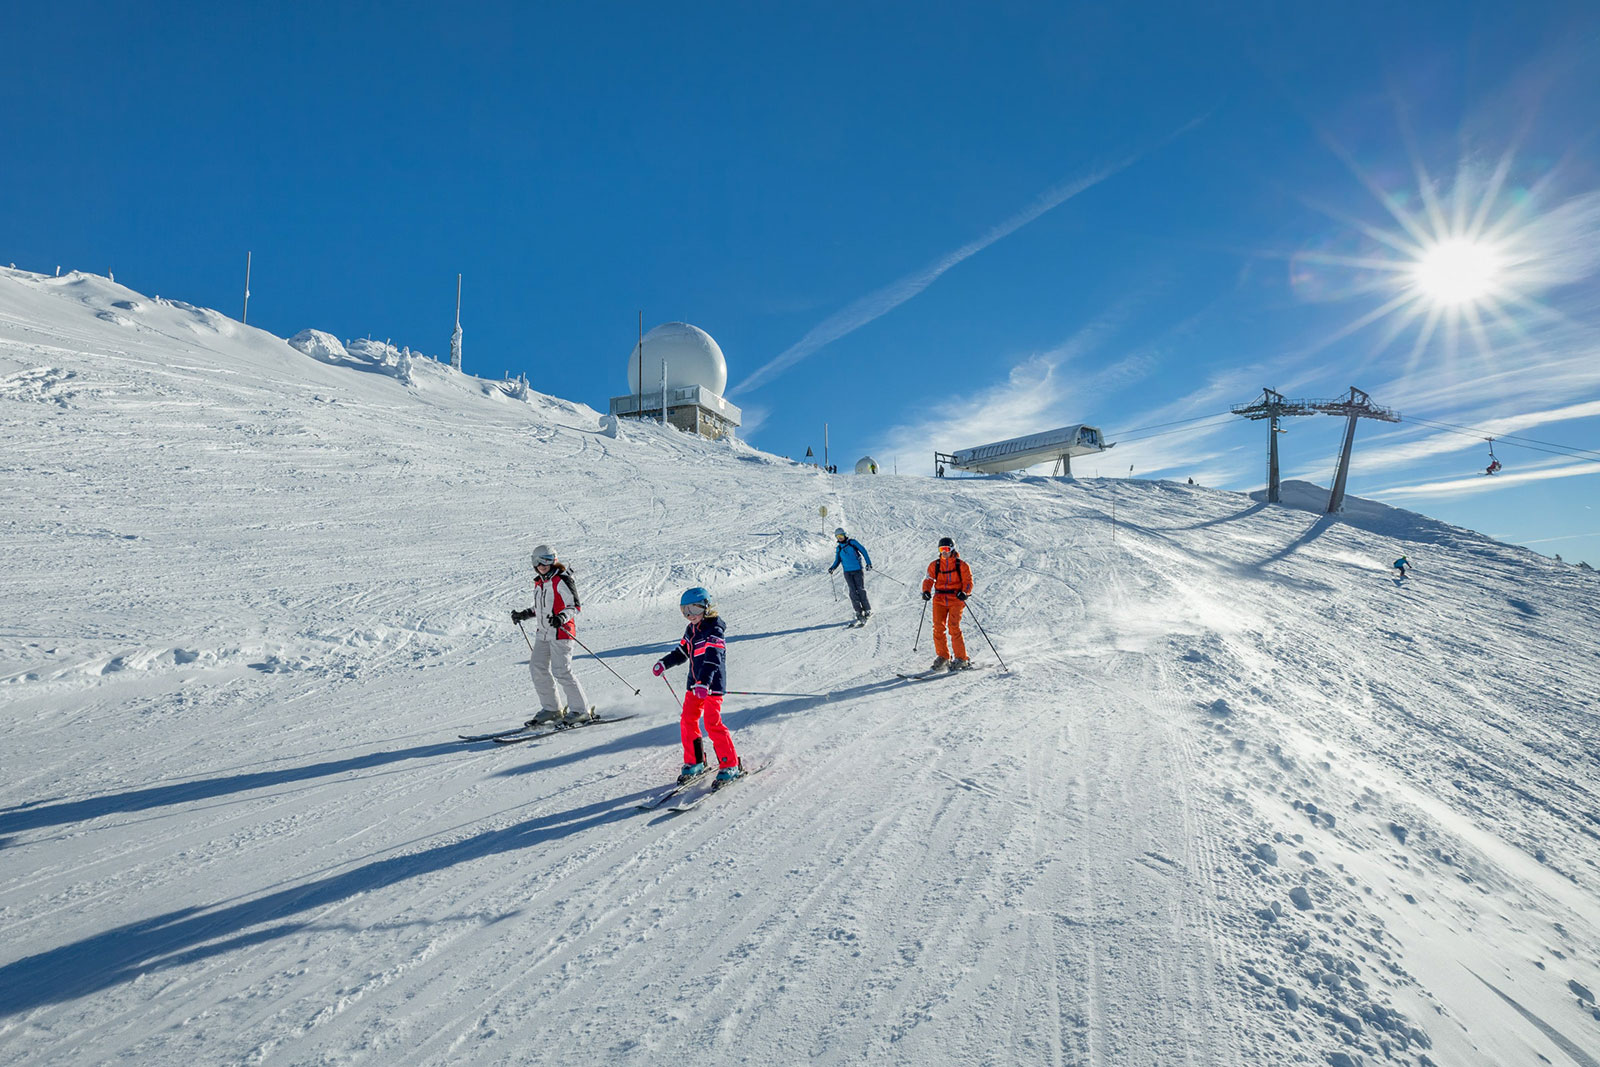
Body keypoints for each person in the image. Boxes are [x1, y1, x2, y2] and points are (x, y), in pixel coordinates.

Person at [653, 587, 744, 785]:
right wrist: (664, 663)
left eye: (693, 610)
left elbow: (713, 658)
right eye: (684, 611)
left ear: (706, 606)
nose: (689, 616)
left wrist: (705, 682)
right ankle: (695, 761)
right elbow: (682, 652)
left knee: (712, 723)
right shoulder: (691, 629)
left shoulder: (715, 629)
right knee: (687, 720)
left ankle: (730, 765)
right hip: (694, 685)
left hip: (711, 685)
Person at [510, 545, 593, 727]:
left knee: (561, 671)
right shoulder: (540, 582)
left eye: (547, 560)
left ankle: (581, 711)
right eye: (538, 561)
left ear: (554, 560)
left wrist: (561, 617)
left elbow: (574, 606)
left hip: (561, 633)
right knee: (537, 667)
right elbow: (541, 608)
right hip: (543, 633)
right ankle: (552, 709)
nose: (542, 565)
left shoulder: (561, 580)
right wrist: (524, 614)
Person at [921, 536, 974, 671]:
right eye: (941, 549)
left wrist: (965, 592)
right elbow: (928, 579)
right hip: (939, 599)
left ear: (952, 549)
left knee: (953, 627)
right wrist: (926, 591)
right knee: (938, 627)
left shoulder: (961, 565)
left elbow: (968, 581)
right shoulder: (935, 565)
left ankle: (961, 658)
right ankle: (943, 657)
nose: (944, 552)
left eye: (946, 549)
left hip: (956, 599)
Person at [829, 527, 874, 622]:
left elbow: (863, 551)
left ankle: (867, 609)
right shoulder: (839, 548)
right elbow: (837, 560)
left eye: (841, 535)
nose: (840, 538)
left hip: (857, 570)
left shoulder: (852, 543)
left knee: (860, 590)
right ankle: (858, 611)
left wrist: (868, 563)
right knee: (852, 592)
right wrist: (832, 567)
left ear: (845, 535)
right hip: (847, 572)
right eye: (837, 536)